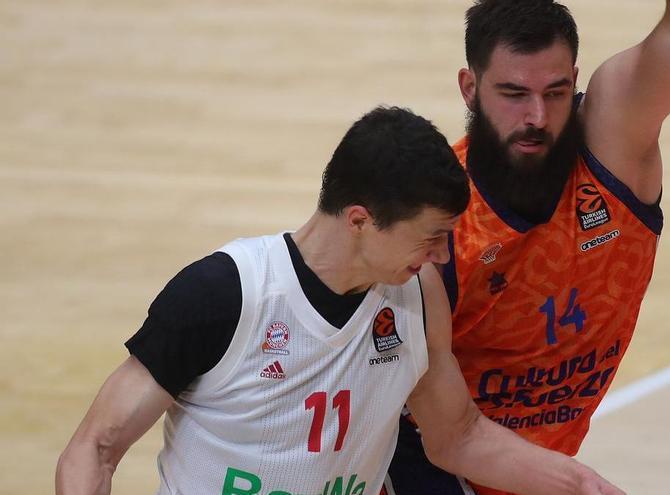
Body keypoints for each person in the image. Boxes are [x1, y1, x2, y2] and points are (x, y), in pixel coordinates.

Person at [55, 107, 623, 495]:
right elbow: (96, 448)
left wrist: (583, 485)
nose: (443, 258)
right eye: (430, 237)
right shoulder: (224, 295)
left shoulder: (417, 297)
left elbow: (459, 437)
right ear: (360, 220)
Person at [386, 1, 670, 494]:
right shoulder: (433, 231)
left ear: (574, 78)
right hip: (420, 467)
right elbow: (451, 437)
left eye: (555, 93)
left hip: (530, 472)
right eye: (513, 94)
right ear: (470, 88)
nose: (536, 116)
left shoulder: (612, 139)